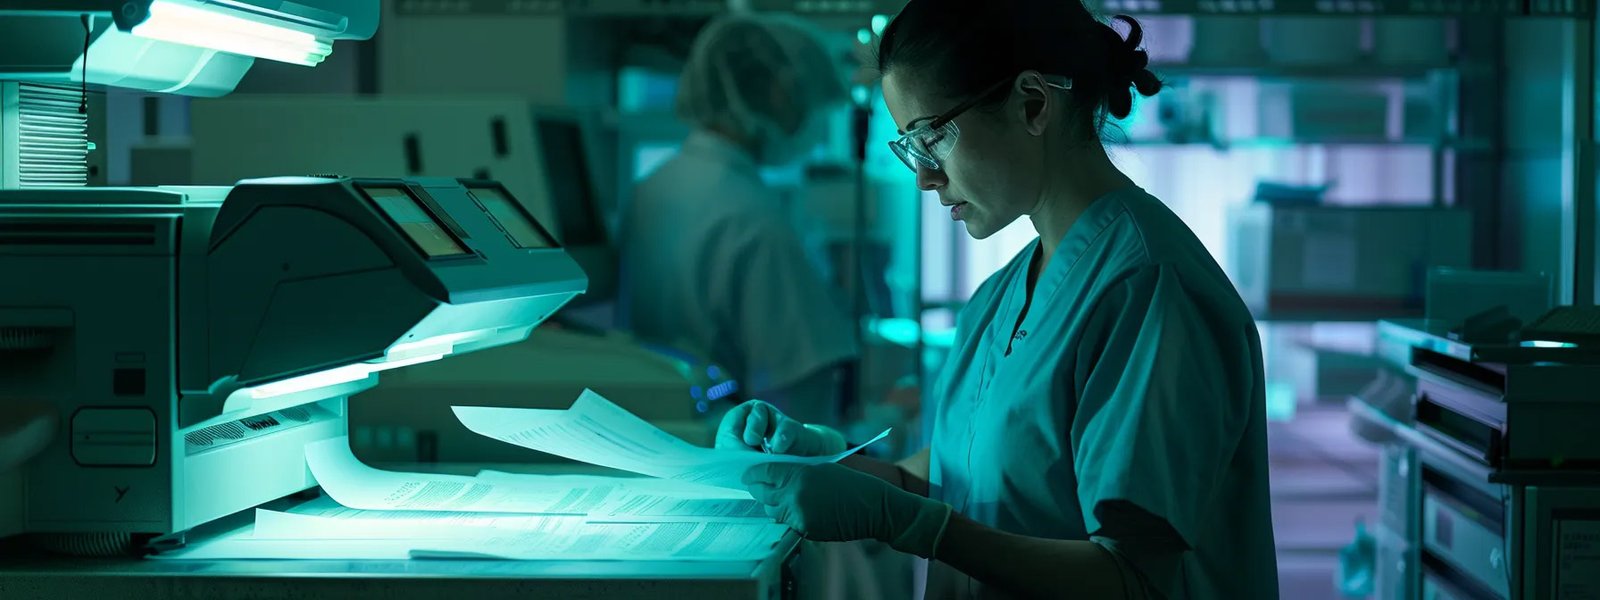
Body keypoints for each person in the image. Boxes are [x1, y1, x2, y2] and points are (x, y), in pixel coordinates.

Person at [719, 1, 1280, 598]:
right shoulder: (999, 298)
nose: (925, 176)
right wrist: (819, 462)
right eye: (910, 147)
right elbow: (956, 487)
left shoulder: (1148, 291)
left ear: (1032, 104)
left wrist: (906, 524)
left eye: (931, 136)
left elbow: (1132, 578)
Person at [619, 14, 858, 427]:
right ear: (779, 92)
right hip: (746, 447)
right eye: (811, 104)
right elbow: (799, 396)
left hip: (675, 423)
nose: (816, 129)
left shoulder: (652, 188)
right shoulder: (751, 215)